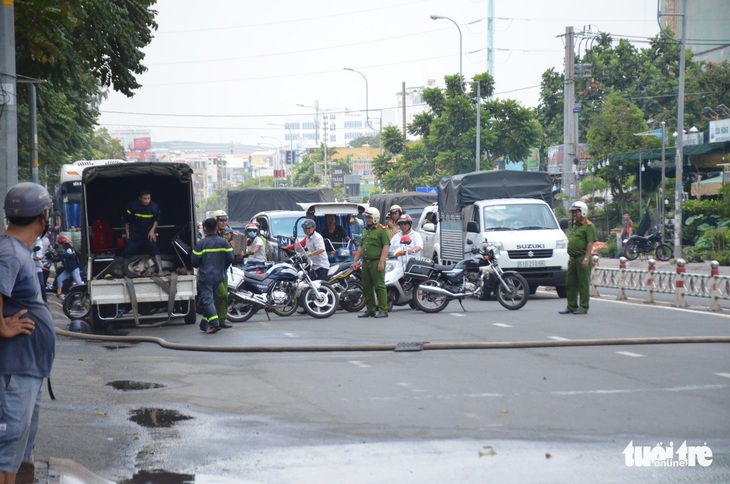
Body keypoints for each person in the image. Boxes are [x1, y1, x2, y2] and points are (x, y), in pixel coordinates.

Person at [0, 182, 55, 483]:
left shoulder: (18, 251)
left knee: (16, 450)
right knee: (6, 452)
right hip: (15, 369)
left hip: (28, 366)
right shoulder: (9, 251)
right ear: (43, 216)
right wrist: (3, 326)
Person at [192, 218, 234, 334]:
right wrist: (222, 268)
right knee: (210, 300)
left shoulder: (201, 244)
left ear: (204, 229)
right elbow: (230, 258)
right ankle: (204, 324)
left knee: (207, 300)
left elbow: (194, 262)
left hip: (206, 277)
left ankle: (214, 324)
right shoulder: (224, 242)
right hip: (219, 276)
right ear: (216, 228)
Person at [352, 207, 390, 318]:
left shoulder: (382, 230)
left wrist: (381, 262)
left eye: (369, 217)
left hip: (376, 261)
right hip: (366, 263)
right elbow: (360, 246)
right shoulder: (365, 230)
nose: (367, 219)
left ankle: (383, 309)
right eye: (366, 217)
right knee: (367, 286)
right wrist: (355, 260)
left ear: (375, 218)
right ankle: (370, 309)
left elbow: (386, 246)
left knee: (379, 286)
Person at [559, 201, 597, 315]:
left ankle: (583, 306)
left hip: (582, 258)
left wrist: (586, 258)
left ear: (583, 212)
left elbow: (590, 243)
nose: (574, 214)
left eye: (576, 212)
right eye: (573, 212)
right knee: (570, 283)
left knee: (583, 284)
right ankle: (571, 306)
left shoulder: (589, 226)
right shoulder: (576, 226)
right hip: (572, 259)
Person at [123, 189, 163, 274]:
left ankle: (160, 270)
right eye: (145, 199)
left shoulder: (154, 206)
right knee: (129, 249)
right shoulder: (132, 206)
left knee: (154, 247)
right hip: (135, 231)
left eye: (149, 198)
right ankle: (125, 271)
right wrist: (127, 233)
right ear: (140, 198)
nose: (147, 201)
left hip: (148, 231)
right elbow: (126, 220)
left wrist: (152, 231)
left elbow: (157, 220)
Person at [32, 237, 47, 303]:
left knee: (41, 285)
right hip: (25, 267)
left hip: (37, 267)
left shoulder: (37, 239)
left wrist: (37, 256)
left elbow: (39, 249)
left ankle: (44, 303)